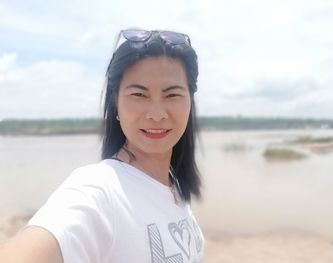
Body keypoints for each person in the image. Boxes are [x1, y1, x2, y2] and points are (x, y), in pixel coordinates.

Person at [0, 29, 204, 263]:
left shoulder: (172, 185)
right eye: (139, 94)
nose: (157, 114)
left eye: (172, 95)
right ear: (115, 103)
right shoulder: (99, 189)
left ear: (190, 101)